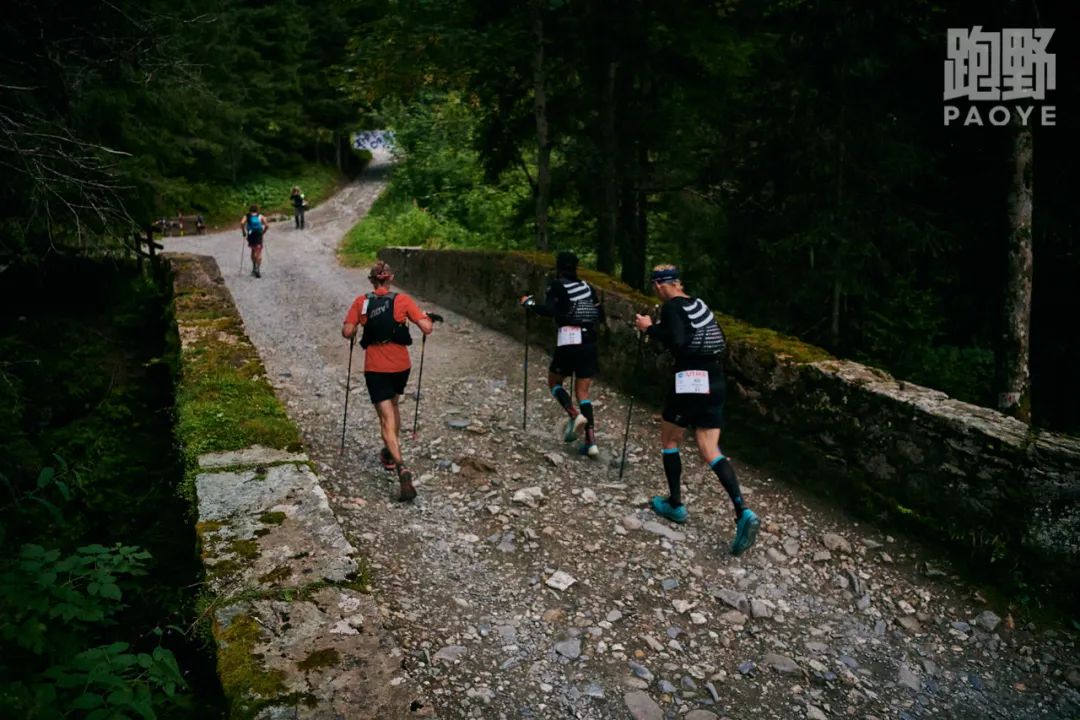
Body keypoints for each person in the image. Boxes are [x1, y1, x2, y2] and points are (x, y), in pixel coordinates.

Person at [633, 264, 760, 556]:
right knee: (710, 448)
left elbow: (677, 341)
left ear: (659, 285)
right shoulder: (699, 304)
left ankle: (675, 504)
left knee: (670, 439)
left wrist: (649, 328)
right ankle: (742, 511)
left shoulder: (672, 307)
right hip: (715, 379)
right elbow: (713, 338)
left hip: (690, 379)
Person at [342, 261, 434, 502]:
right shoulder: (402, 300)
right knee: (394, 405)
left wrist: (355, 329)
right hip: (401, 366)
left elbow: (347, 332)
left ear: (372, 280)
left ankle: (401, 467)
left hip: (376, 367)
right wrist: (427, 318)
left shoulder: (361, 302)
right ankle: (389, 453)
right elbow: (426, 328)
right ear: (390, 278)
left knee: (385, 418)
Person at [520, 251, 605, 457]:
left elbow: (550, 311)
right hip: (590, 341)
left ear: (558, 267)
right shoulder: (588, 287)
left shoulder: (557, 286)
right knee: (583, 392)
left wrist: (529, 305)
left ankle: (574, 415)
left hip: (569, 339)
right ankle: (591, 442)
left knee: (554, 381)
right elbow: (600, 315)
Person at [241, 204, 268, 278]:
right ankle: (258, 269)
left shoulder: (247, 216)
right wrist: (263, 232)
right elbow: (267, 225)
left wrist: (244, 232)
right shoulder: (260, 216)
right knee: (259, 251)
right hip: (258, 234)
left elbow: (242, 223)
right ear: (257, 209)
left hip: (251, 234)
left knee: (253, 250)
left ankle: (253, 267)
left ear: (249, 209)